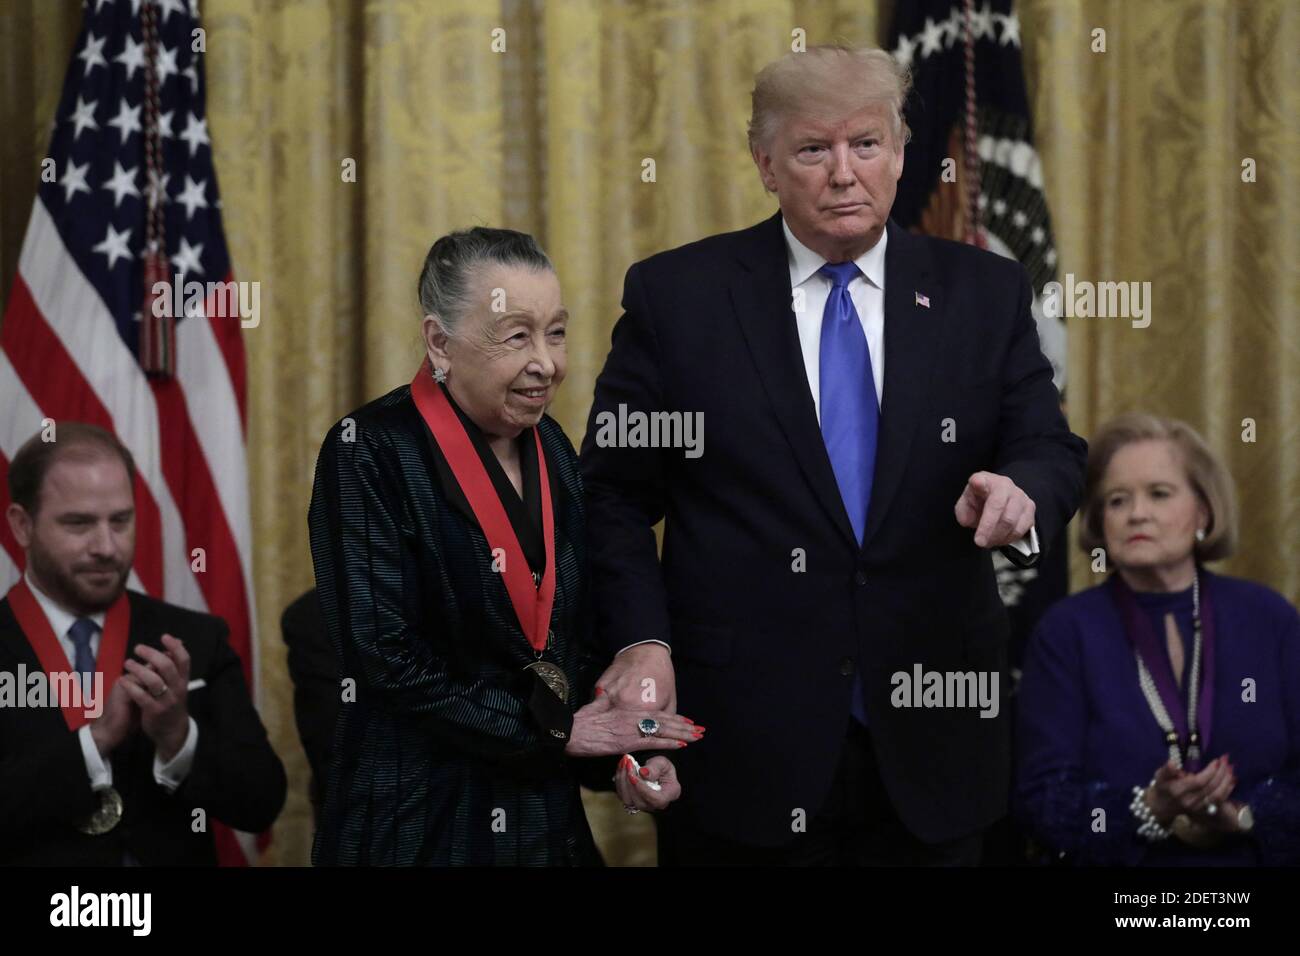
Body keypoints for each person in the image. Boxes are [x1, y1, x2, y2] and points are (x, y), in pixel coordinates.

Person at [580, 45, 1088, 865]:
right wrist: (646, 644)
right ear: (766, 163)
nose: (844, 173)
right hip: (742, 747)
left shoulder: (983, 293)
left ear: (900, 151)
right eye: (814, 149)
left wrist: (1023, 490)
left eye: (866, 144)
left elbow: (1049, 445)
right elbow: (610, 496)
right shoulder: (680, 299)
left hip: (937, 744)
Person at [309, 227, 695, 866]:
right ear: (440, 342)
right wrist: (558, 732)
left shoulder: (555, 451)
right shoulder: (370, 449)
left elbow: (568, 644)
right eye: (516, 335)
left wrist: (627, 752)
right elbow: (387, 661)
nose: (546, 363)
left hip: (543, 824)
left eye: (557, 331)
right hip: (415, 822)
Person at [1016, 413, 1300, 865]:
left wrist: (1246, 815)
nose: (1137, 514)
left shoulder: (1269, 618)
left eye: (1159, 494)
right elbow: (1042, 799)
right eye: (1116, 500)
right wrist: (1150, 808)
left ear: (1203, 511)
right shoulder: (1066, 632)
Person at [0, 423, 285, 865]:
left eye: (120, 521)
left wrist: (178, 737)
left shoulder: (195, 639)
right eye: (78, 523)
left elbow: (262, 801)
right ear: (22, 526)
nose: (106, 546)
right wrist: (94, 742)